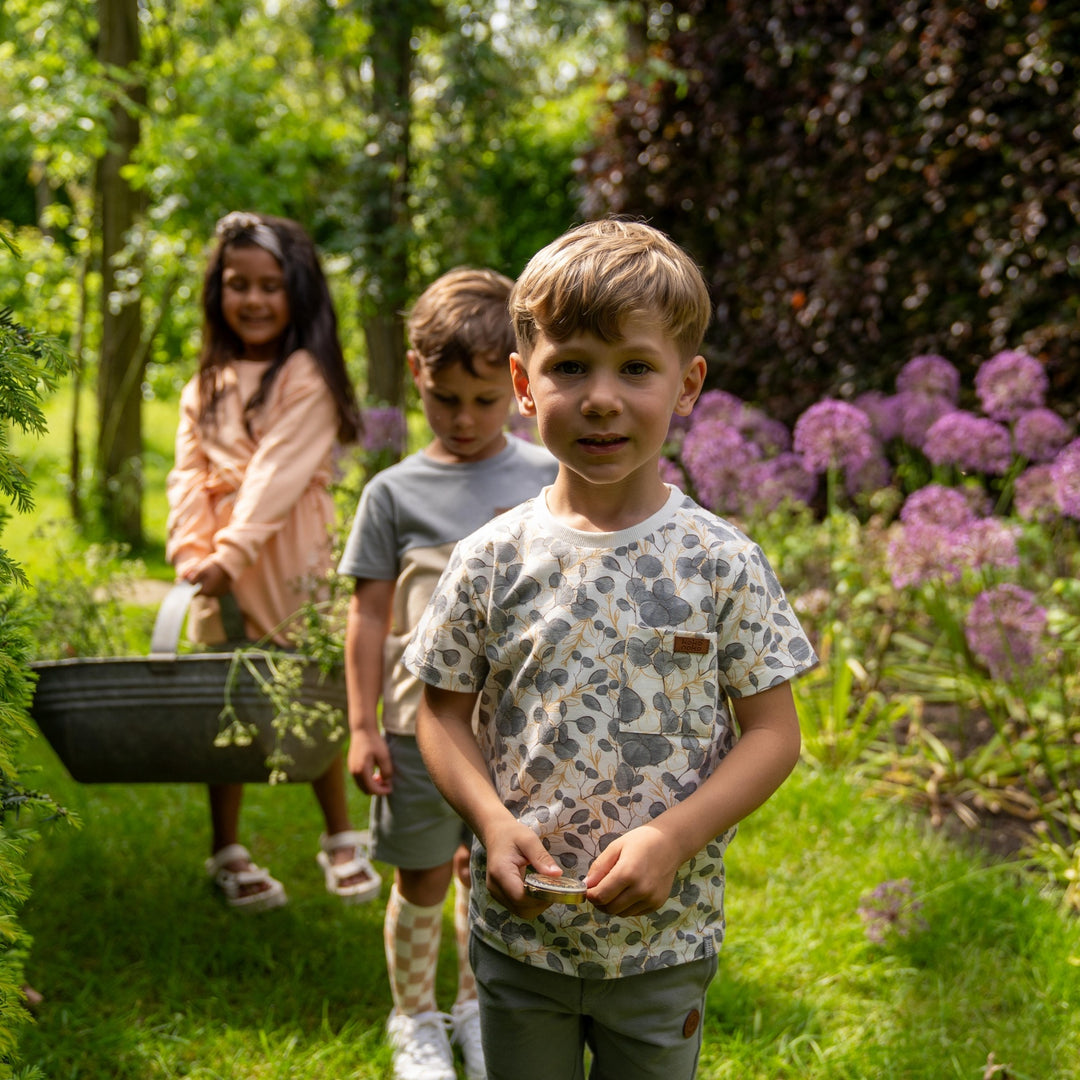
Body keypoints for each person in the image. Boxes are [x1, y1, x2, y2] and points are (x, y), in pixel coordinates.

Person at [404, 219, 818, 1080]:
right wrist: (489, 821)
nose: (600, 397)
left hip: (663, 947)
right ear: (524, 381)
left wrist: (674, 836)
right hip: (520, 941)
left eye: (634, 367)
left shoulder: (720, 561)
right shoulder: (491, 557)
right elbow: (439, 714)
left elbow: (775, 734)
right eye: (570, 367)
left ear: (687, 383)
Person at [338, 267, 558, 1080]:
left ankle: (472, 1006)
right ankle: (413, 1018)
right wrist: (364, 726)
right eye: (444, 400)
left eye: (484, 402)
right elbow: (366, 616)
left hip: (517, 735)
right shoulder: (392, 496)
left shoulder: (546, 479)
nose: (464, 421)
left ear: (518, 384)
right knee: (426, 872)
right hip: (416, 731)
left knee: (493, 872)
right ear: (416, 376)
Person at [166, 211, 381, 913]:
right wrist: (192, 551)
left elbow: (275, 477)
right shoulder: (205, 382)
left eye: (270, 285)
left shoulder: (306, 376)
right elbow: (188, 474)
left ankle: (340, 835)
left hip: (286, 553)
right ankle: (226, 845)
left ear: (298, 293)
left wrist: (229, 553)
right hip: (220, 565)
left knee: (308, 690)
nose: (253, 300)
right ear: (216, 292)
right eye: (237, 285)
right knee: (221, 697)